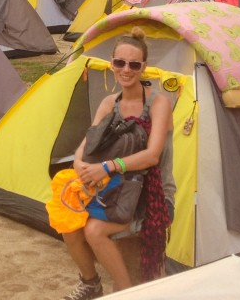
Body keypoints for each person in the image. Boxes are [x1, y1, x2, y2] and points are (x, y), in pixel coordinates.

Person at [61, 28, 173, 299]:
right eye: (120, 63)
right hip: (115, 190)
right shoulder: (109, 103)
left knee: (95, 230)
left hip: (151, 195)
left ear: (144, 67)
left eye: (134, 64)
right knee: (68, 223)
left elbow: (152, 156)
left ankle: (124, 292)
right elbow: (87, 144)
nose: (126, 70)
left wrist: (108, 166)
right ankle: (90, 283)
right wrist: (78, 163)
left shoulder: (158, 102)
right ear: (111, 63)